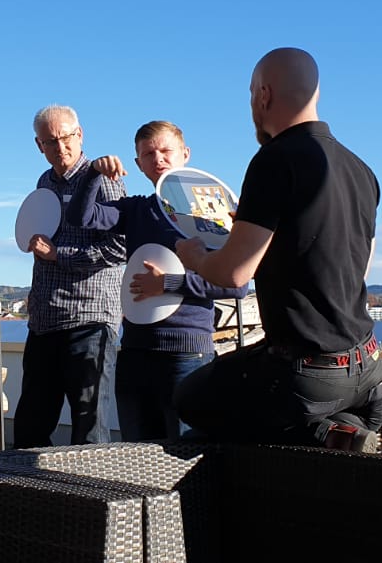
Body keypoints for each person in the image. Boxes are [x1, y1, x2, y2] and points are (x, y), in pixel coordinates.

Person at [173, 47, 382, 451]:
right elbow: (355, 267)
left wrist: (196, 257)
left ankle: (320, 432)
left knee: (190, 398)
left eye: (251, 93)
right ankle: (338, 429)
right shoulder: (361, 170)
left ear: (263, 95)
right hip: (370, 369)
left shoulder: (273, 160)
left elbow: (234, 273)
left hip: (307, 375)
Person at [66, 121, 249, 442]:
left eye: (166, 151)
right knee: (138, 456)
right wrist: (93, 173)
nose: (158, 159)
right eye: (148, 154)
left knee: (187, 455)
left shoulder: (212, 215)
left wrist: (168, 284)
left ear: (185, 154)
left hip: (187, 354)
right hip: (136, 351)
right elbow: (81, 217)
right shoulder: (138, 209)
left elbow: (236, 286)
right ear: (138, 163)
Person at [14, 105, 128, 448]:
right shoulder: (44, 183)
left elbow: (119, 249)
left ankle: (91, 485)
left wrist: (58, 254)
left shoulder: (103, 180)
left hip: (88, 320)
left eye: (65, 138)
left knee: (88, 431)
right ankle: (31, 482)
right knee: (30, 429)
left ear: (80, 135)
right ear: (39, 145)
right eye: (50, 141)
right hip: (45, 320)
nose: (60, 147)